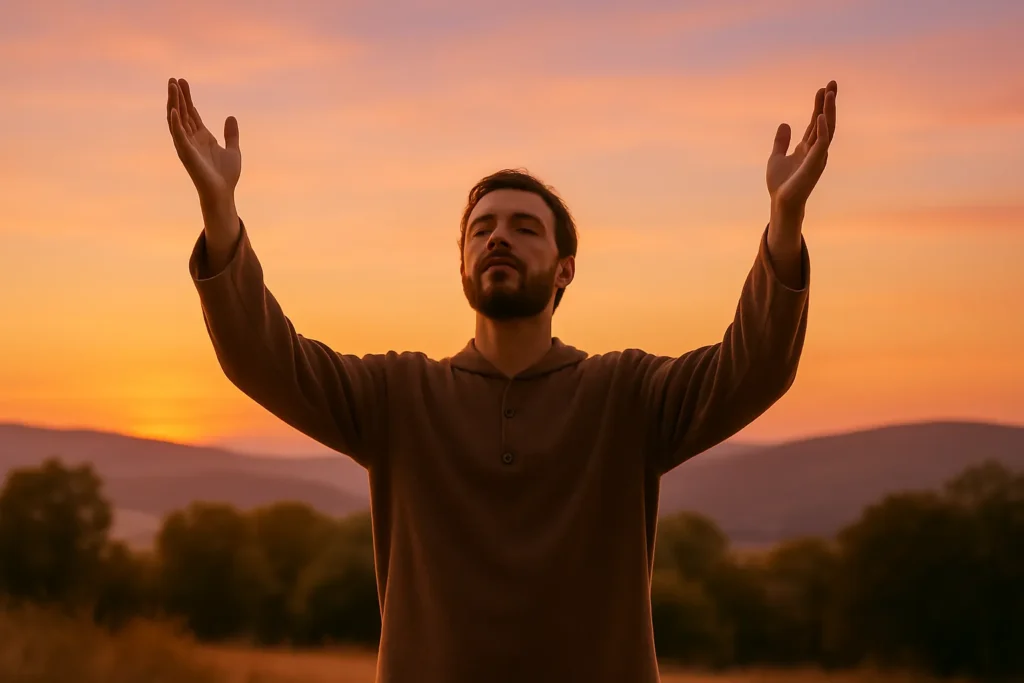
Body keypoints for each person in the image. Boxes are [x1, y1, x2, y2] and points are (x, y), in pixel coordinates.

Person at [166, 76, 837, 683]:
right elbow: (262, 357)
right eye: (481, 229)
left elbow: (755, 366)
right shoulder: (398, 396)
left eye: (524, 228)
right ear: (461, 265)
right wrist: (220, 214)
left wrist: (785, 222)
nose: (497, 238)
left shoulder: (627, 395)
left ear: (566, 269)